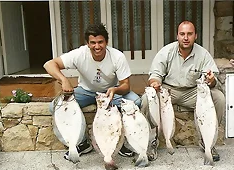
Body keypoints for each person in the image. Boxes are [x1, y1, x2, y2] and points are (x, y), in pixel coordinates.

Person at [43, 23, 141, 160]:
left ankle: (121, 143)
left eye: (100, 42)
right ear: (87, 44)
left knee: (136, 102)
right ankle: (82, 143)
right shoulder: (79, 54)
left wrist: (115, 89)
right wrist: (63, 80)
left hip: (110, 93)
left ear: (106, 42)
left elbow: (126, 86)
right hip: (85, 91)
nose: (97, 46)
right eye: (93, 43)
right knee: (54, 106)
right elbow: (49, 64)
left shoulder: (117, 56)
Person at [147, 20, 225, 161]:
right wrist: (155, 84)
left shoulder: (203, 54)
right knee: (147, 99)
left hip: (193, 91)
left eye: (189, 34)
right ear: (177, 36)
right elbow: (155, 75)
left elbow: (213, 82)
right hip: (169, 91)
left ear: (196, 36)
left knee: (219, 98)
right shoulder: (167, 51)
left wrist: (211, 79)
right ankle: (152, 142)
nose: (186, 37)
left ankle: (207, 142)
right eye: (182, 34)